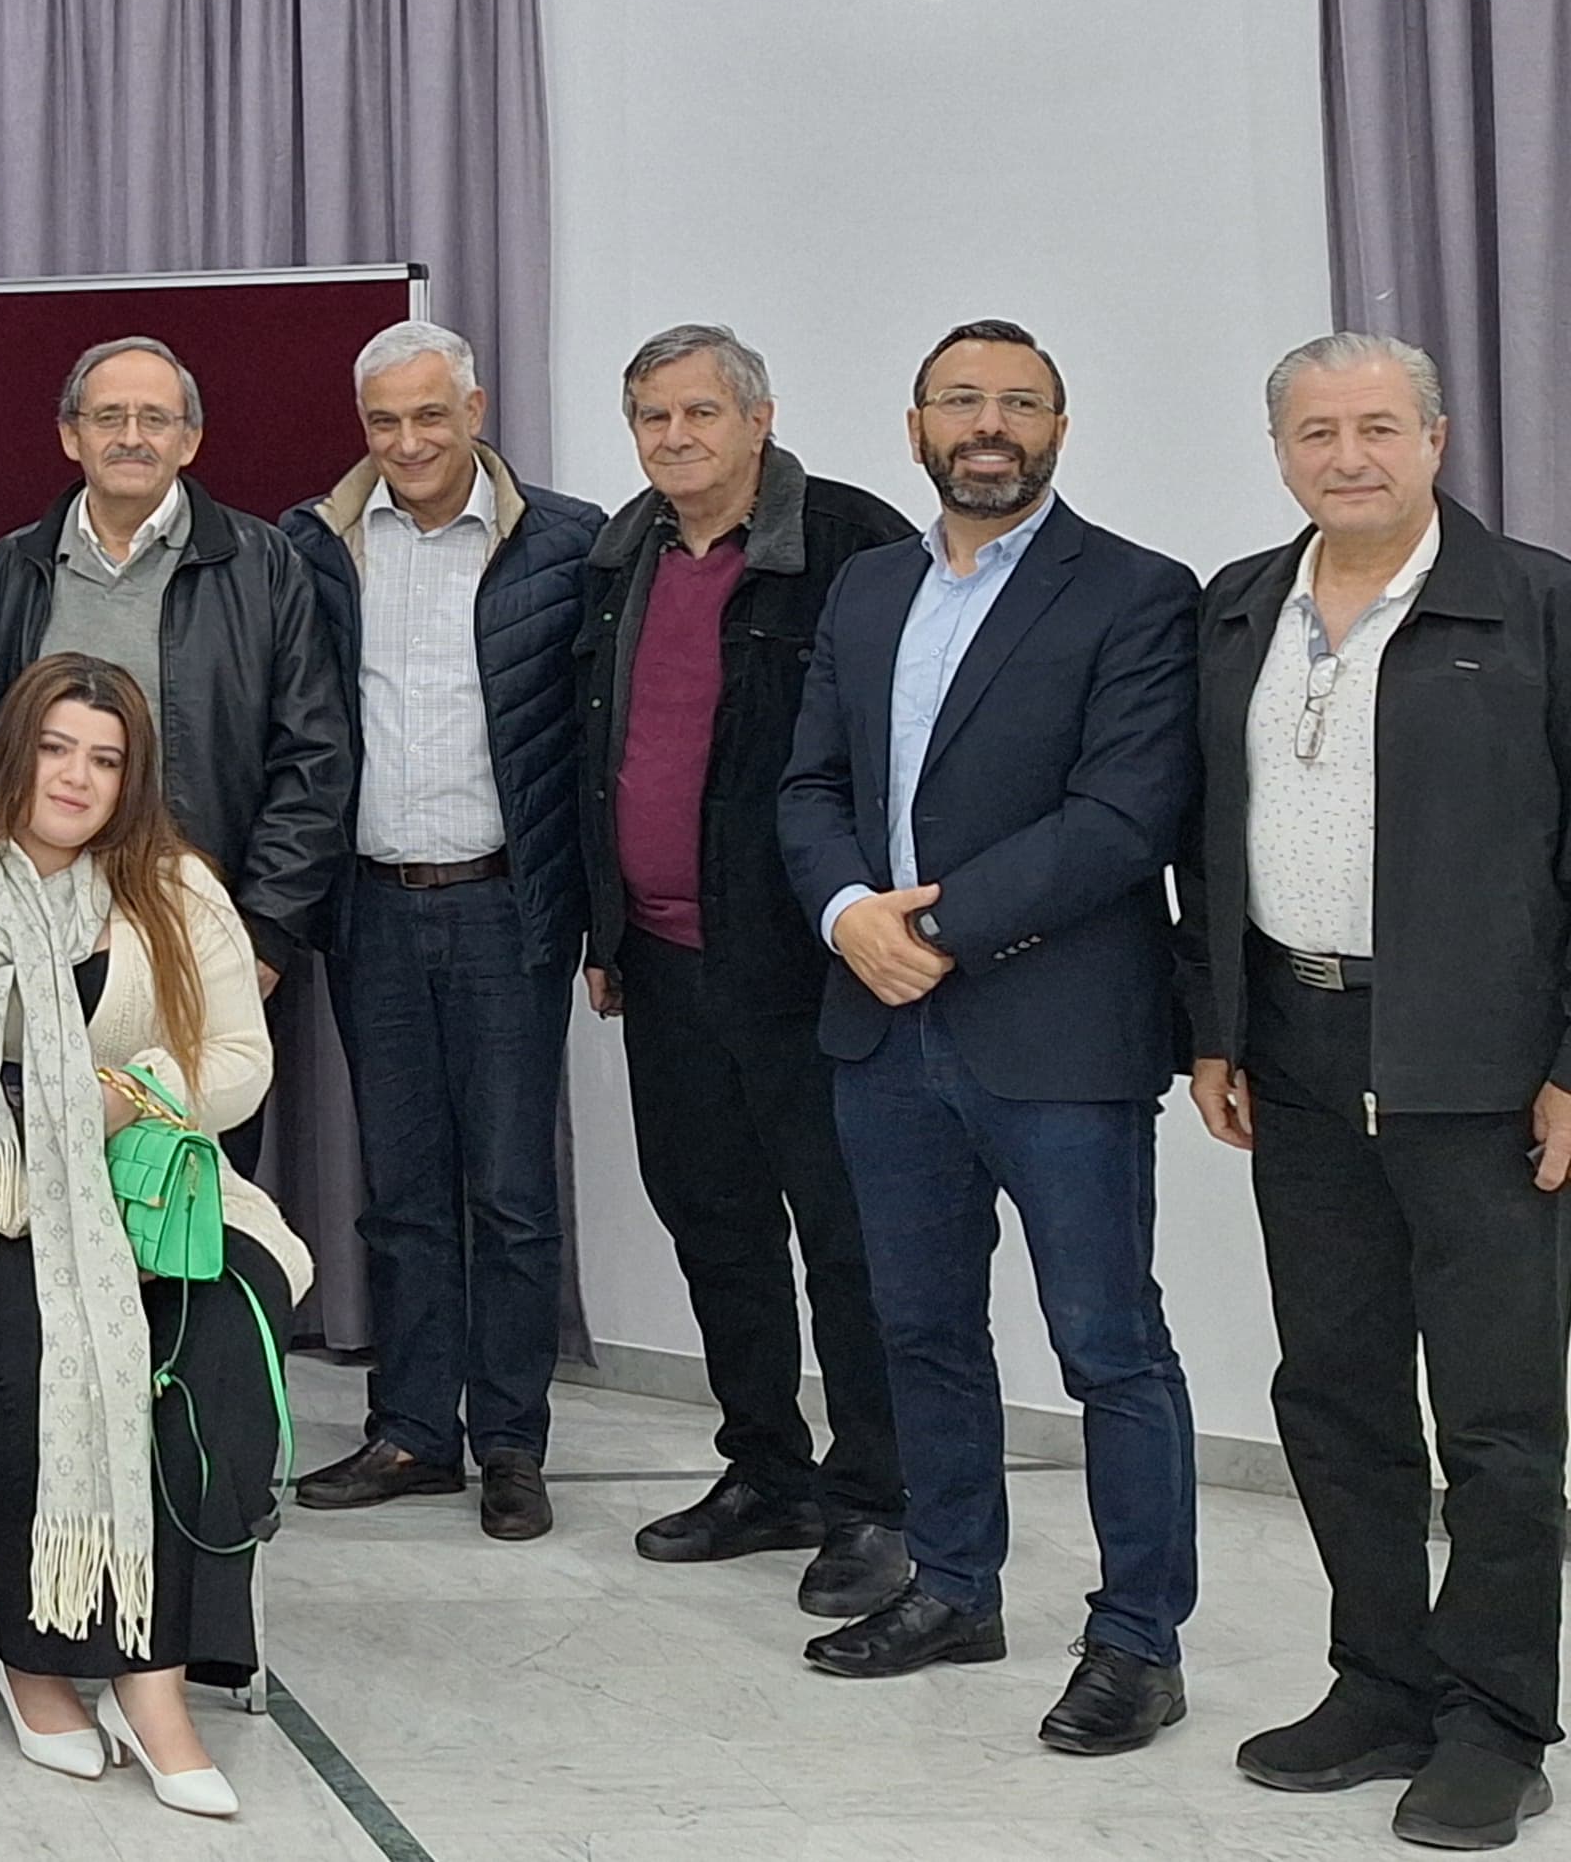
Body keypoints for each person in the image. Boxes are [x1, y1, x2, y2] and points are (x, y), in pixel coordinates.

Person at [775, 319, 1200, 1754]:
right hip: (881, 1029)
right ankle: (955, 1587)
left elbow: (1124, 815)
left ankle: (1138, 1643)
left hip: (1057, 1033)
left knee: (1108, 1347)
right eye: (961, 400)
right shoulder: (869, 588)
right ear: (916, 429)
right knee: (920, 1330)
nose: (990, 424)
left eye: (1021, 402)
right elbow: (808, 783)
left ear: (1060, 431)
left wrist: (933, 931)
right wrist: (849, 914)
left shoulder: (1138, 591)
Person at [1182, 333, 1571, 1851]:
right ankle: (1381, 1683)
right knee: (1335, 1394)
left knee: (1496, 1418)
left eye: (1379, 428)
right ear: (1281, 451)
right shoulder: (1239, 610)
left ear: (1437, 438)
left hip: (1480, 1068)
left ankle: (1496, 1722)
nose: (1348, 457)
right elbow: (1204, 836)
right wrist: (1215, 1028)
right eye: (1317, 432)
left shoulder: (1534, 607)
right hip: (1296, 1051)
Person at [0, 656, 308, 1824]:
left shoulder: (175, 887)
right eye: (56, 748)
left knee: (222, 1330)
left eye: (105, 759)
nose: (77, 777)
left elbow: (240, 1061)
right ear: (15, 752)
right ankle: (41, 1655)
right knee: (52, 1341)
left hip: (155, 1193)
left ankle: (162, 1675)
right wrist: (37, 1180)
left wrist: (130, 1092)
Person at [572, 327, 915, 1622]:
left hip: (808, 967)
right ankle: (767, 1471)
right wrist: (606, 931)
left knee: (848, 1241)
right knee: (714, 1225)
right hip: (662, 964)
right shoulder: (623, 552)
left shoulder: (852, 544)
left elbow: (902, 746)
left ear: (758, 419)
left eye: (699, 413)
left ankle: (879, 1500)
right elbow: (600, 748)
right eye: (651, 417)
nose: (673, 439)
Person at [277, 323, 600, 1541]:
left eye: (429, 415)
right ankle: (413, 1428)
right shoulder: (312, 544)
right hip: (368, 907)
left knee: (511, 1191)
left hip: (508, 905)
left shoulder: (566, 542)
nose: (408, 442)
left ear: (475, 408)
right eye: (384, 421)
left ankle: (512, 1441)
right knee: (401, 1190)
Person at [0, 337, 350, 980]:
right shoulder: (12, 569)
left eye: (154, 418)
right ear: (70, 436)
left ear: (190, 440)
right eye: (108, 417)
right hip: (35, 931)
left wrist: (265, 929)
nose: (131, 437)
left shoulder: (264, 566)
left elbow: (315, 756)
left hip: (208, 926)